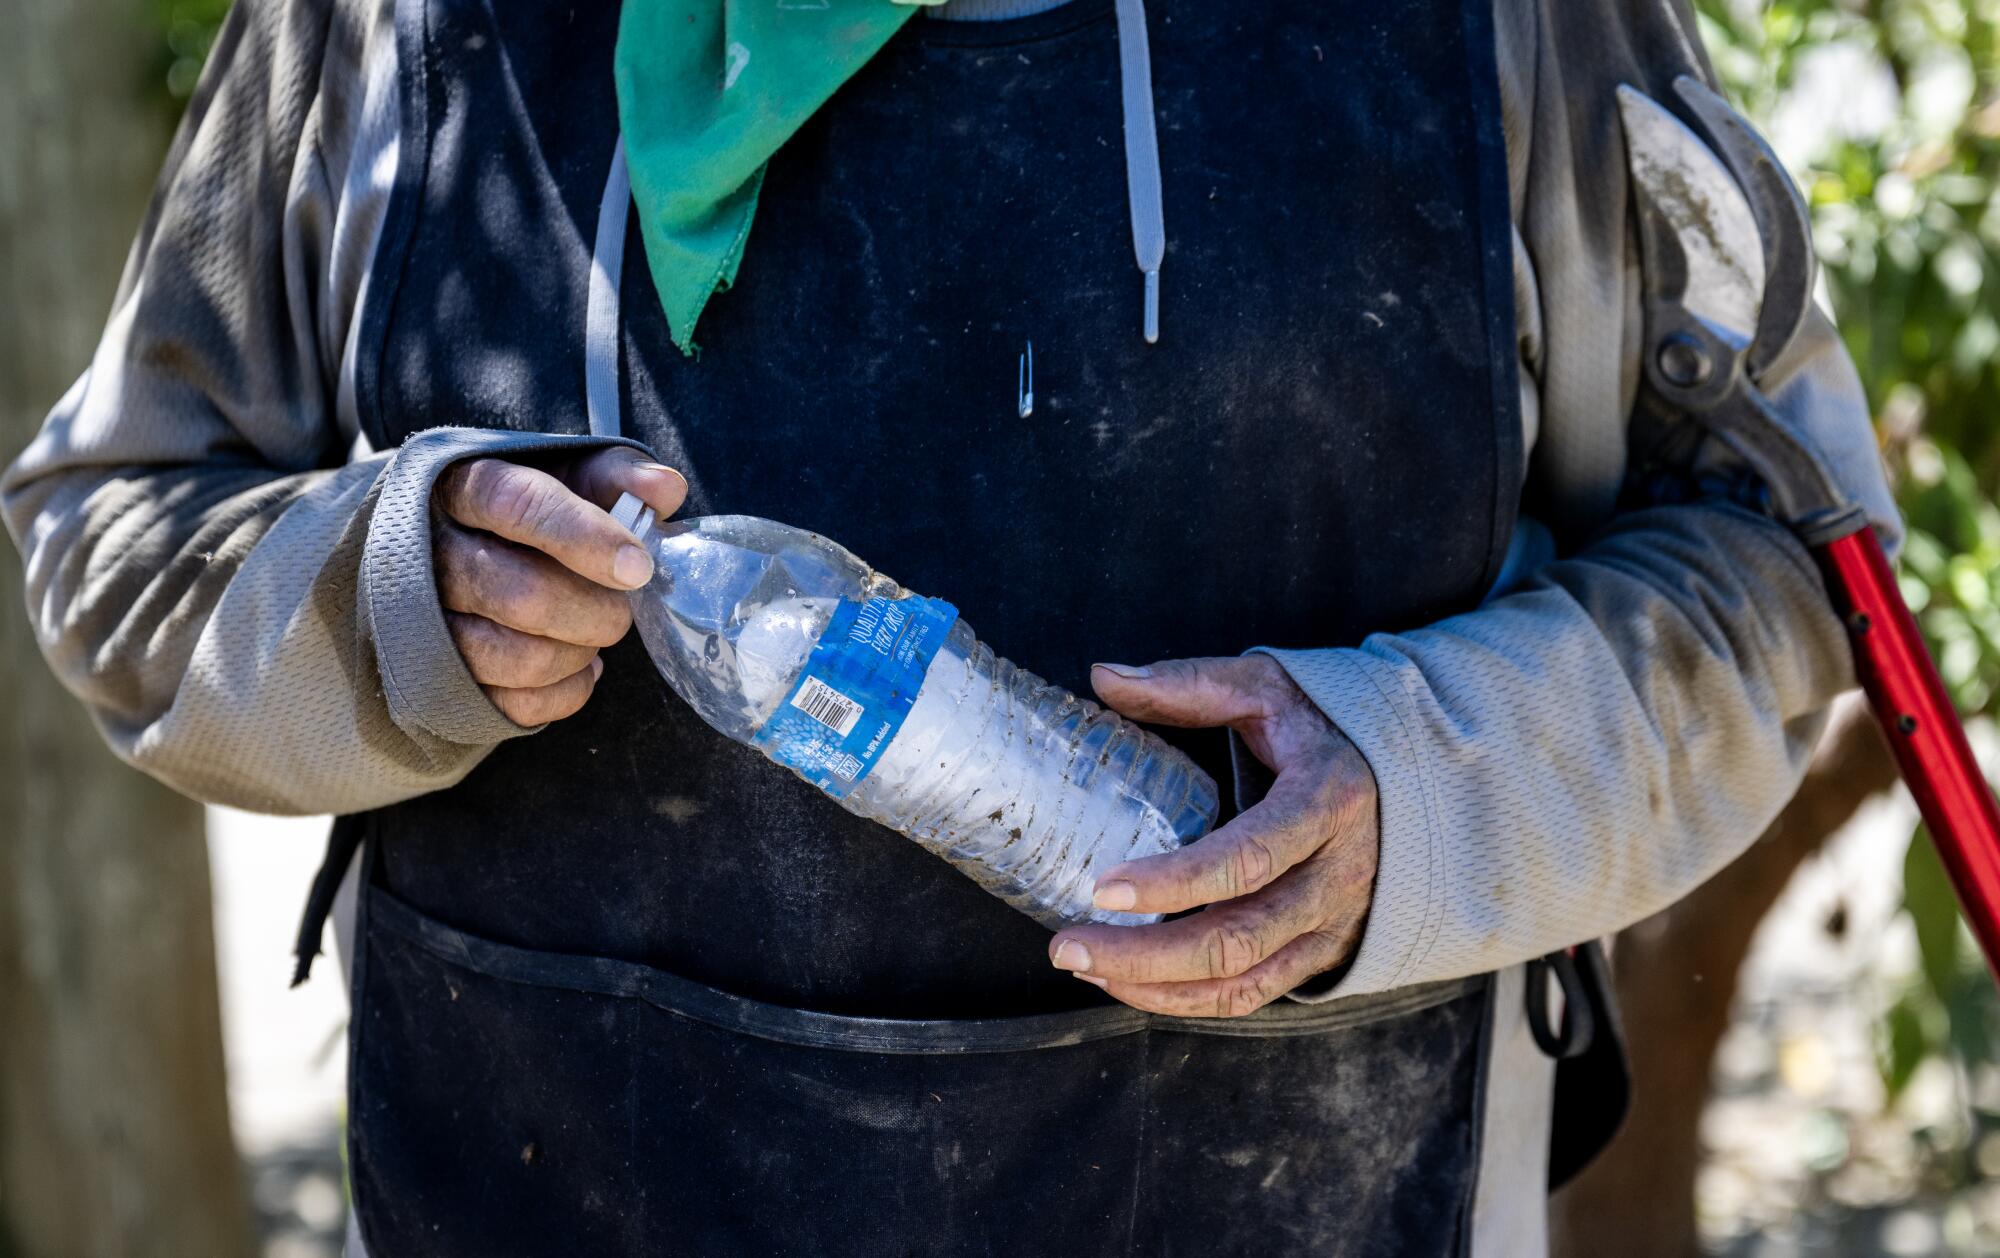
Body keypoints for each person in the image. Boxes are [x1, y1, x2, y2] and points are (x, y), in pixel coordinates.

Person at [2, 0, 1898, 1253]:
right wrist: (389, 596)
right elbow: (114, 528)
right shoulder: (400, 29)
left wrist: (1439, 787)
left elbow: (1789, 555)